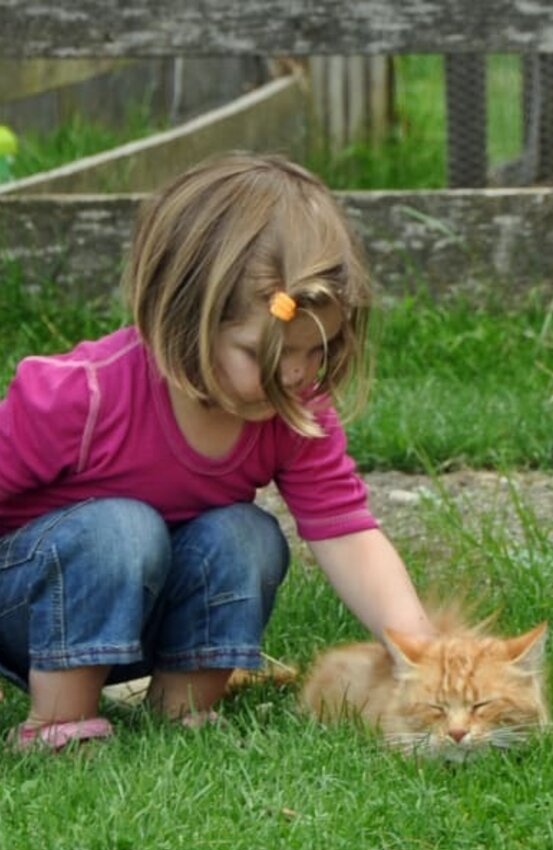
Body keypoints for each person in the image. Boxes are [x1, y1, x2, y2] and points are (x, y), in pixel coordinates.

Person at [0, 153, 433, 750]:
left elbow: (347, 532)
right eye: (265, 355)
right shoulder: (81, 394)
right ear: (182, 320)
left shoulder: (293, 410)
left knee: (247, 534)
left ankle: (181, 712)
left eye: (318, 349)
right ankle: (58, 725)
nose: (297, 373)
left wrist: (423, 650)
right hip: (29, 618)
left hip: (139, 624)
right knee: (120, 530)